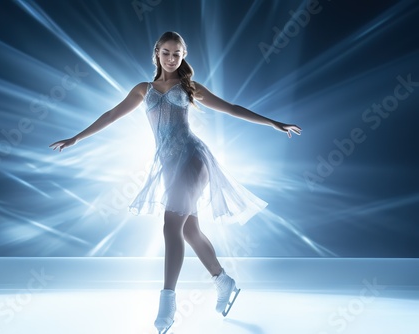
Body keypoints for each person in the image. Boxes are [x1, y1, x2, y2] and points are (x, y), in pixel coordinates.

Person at [50, 31, 301, 333]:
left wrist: (274, 122)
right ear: (156, 53)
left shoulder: (189, 87)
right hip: (168, 166)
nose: (171, 58)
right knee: (191, 230)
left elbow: (232, 108)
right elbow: (112, 114)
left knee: (171, 223)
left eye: (177, 53)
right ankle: (224, 282)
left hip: (193, 158)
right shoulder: (144, 89)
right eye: (166, 52)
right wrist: (77, 138)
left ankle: (167, 303)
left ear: (184, 55)